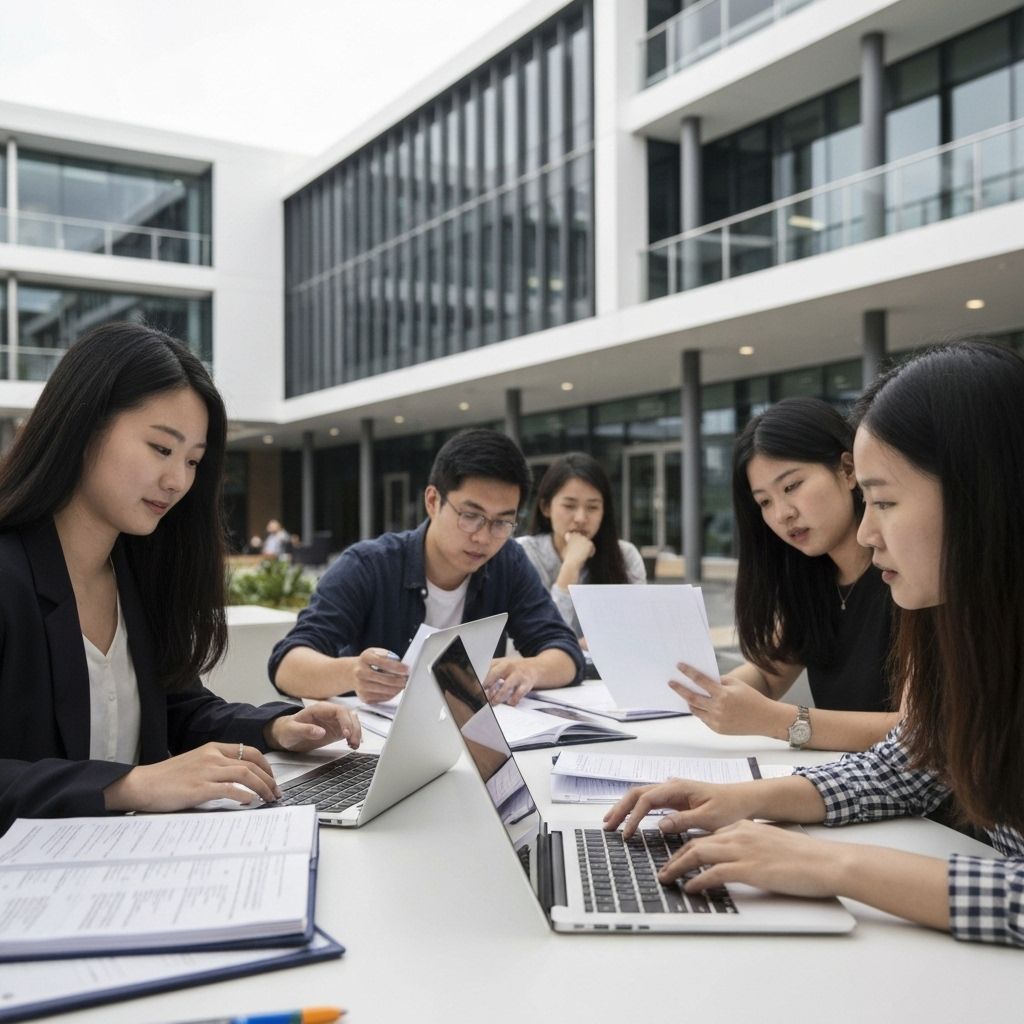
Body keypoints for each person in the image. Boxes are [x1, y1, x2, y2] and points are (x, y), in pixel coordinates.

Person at [605, 341, 1024, 947]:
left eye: (883, 502)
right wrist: (735, 800)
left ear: (979, 494)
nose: (866, 531)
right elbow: (911, 763)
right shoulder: (959, 615)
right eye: (764, 502)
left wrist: (831, 866)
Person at [0, 321, 362, 834]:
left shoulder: (139, 571)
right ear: (83, 427)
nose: (178, 481)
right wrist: (132, 784)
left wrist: (276, 727)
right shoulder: (8, 574)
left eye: (193, 461)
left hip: (131, 864)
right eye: (161, 449)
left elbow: (177, 707)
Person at [270, 428, 584, 707]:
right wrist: (351, 673)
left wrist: (530, 669)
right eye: (470, 515)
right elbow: (287, 665)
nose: (483, 537)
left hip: (470, 739)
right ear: (433, 501)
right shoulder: (369, 565)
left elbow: (565, 653)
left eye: (502, 522)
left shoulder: (508, 561)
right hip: (369, 746)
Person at [676, 397, 899, 751]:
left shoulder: (908, 576)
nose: (782, 514)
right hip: (842, 783)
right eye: (764, 501)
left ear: (847, 470)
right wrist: (700, 695)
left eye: (792, 486)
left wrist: (777, 720)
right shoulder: (814, 581)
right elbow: (767, 675)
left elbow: (917, 732)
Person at [517, 452, 646, 641]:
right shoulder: (523, 554)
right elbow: (541, 639)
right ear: (546, 507)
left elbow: (639, 632)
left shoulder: (625, 556)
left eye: (592, 507)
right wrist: (571, 566)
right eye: (569, 506)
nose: (581, 518)